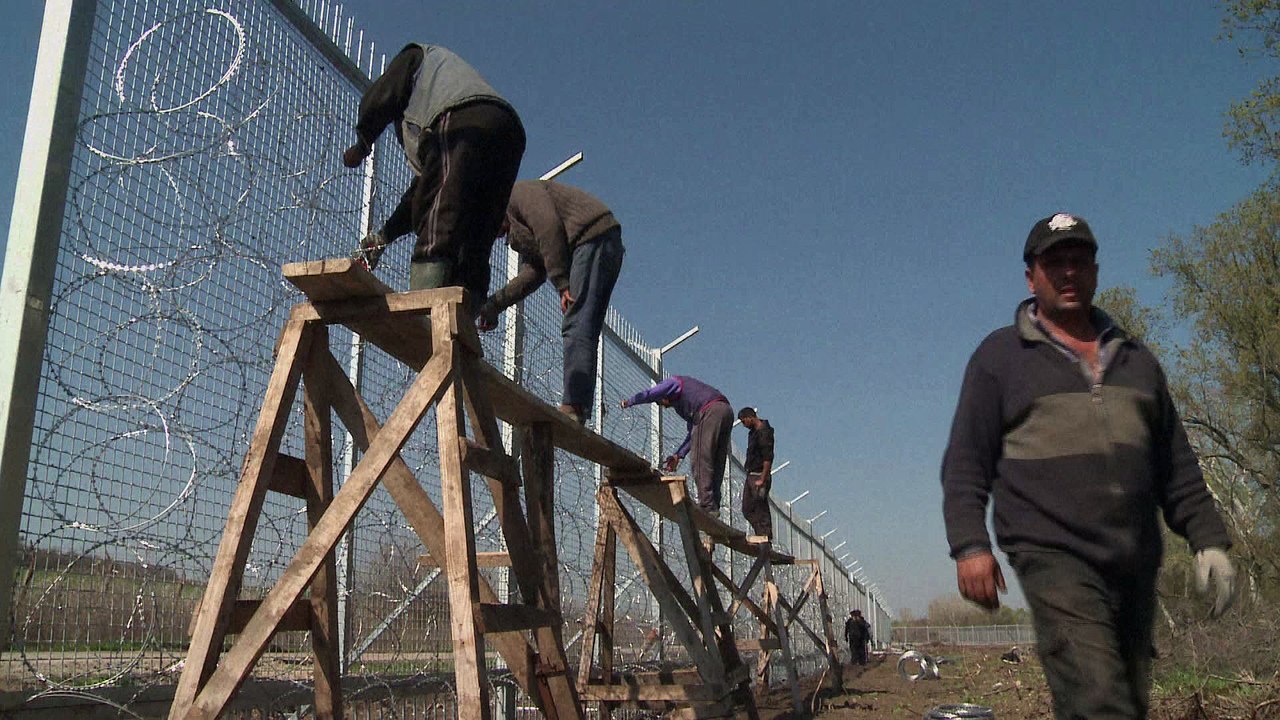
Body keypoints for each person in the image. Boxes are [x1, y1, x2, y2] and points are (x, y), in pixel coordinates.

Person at [941, 212, 1237, 720]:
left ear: (1096, 271)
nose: (1069, 273)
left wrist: (1209, 539)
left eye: (1079, 262)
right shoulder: (1000, 358)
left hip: (1135, 559)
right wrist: (970, 545)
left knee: (1125, 700)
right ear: (1031, 276)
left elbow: (1176, 465)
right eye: (1055, 264)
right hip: (1053, 553)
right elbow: (966, 463)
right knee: (1098, 700)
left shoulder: (1138, 362)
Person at [343, 44, 525, 309]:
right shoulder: (437, 114)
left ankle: (425, 320)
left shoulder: (416, 57)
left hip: (464, 117)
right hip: (509, 134)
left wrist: (362, 142)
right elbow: (422, 193)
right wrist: (384, 237)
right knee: (476, 239)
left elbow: (382, 93)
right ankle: (462, 329)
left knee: (437, 227)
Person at [476, 180, 625, 424]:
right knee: (581, 325)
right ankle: (578, 405)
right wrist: (494, 305)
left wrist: (562, 282)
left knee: (577, 324)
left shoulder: (519, 193)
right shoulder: (516, 230)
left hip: (592, 236)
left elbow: (549, 227)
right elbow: (533, 273)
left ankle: (574, 406)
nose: (497, 236)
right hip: (596, 242)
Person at [620, 376, 732, 514]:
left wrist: (630, 401)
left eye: (660, 402)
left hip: (710, 409)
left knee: (700, 460)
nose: (663, 406)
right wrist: (678, 455)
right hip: (725, 411)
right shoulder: (684, 406)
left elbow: (650, 394)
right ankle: (713, 505)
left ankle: (707, 505)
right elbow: (693, 435)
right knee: (716, 462)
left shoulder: (673, 382)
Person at [737, 407, 774, 537]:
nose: (743, 425)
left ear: (750, 417)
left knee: (760, 507)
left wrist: (763, 478)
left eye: (743, 421)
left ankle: (765, 537)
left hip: (759, 475)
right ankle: (761, 534)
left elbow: (767, 458)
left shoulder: (764, 432)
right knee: (747, 509)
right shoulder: (753, 432)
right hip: (751, 474)